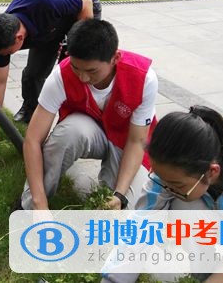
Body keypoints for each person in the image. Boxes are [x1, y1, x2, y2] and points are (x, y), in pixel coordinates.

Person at [102, 105, 223, 283]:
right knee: (185, 207)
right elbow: (143, 222)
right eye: (162, 180)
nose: (166, 188)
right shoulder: (172, 166)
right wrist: (113, 279)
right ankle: (203, 275)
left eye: (176, 185)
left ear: (212, 172)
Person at [18, 19, 156, 212]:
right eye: (76, 67)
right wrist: (39, 203)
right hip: (89, 132)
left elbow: (136, 141)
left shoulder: (143, 78)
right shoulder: (61, 75)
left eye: (92, 71)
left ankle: (111, 202)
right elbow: (32, 139)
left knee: (128, 208)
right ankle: (28, 209)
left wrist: (119, 194)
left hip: (126, 142)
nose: (83, 78)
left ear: (115, 58)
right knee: (67, 133)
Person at [0, 0, 101, 144]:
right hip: (48, 27)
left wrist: (75, 48)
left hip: (81, 11)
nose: (5, 55)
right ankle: (30, 111)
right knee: (33, 74)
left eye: (8, 52)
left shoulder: (47, 1)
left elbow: (85, 4)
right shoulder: (1, 36)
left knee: (70, 76)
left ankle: (66, 127)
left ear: (19, 38)